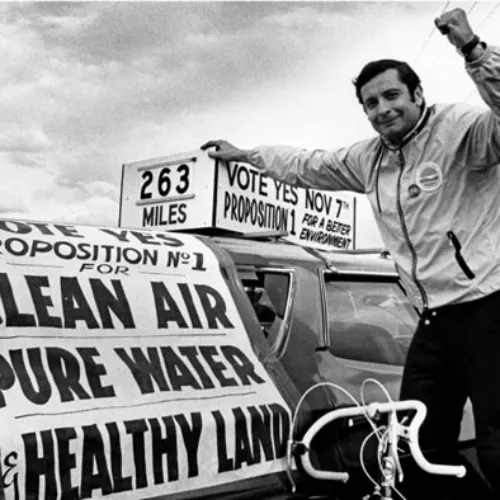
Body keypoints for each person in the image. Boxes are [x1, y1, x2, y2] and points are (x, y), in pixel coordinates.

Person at [201, 7, 500, 499]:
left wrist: (473, 51)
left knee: (498, 449)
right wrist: (248, 155)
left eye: (392, 96)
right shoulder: (370, 158)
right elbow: (308, 166)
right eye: (371, 103)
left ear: (418, 94)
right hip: (430, 320)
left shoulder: (462, 132)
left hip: (487, 310)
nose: (382, 109)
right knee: (419, 451)